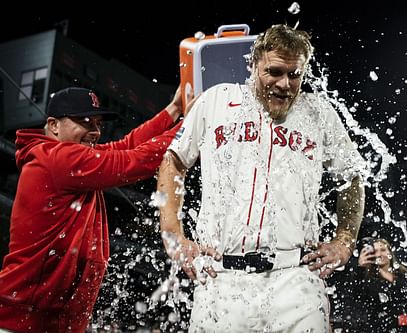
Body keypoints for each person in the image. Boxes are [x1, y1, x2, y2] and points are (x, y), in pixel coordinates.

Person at [157, 24, 366, 332]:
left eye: (294, 75)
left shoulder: (319, 113)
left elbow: (352, 176)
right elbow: (172, 162)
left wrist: (344, 241)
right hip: (220, 279)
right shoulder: (215, 101)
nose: (284, 84)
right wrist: (174, 236)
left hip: (295, 279)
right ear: (252, 64)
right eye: (275, 71)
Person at [0, 86, 188, 333]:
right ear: (54, 125)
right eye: (85, 122)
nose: (95, 131)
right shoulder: (56, 159)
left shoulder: (65, 157)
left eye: (97, 123)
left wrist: (173, 110)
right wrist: (190, 125)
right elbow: (136, 161)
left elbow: (126, 146)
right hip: (25, 323)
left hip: (46, 322)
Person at [353, 237, 407, 332]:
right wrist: (360, 268)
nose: (379, 254)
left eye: (383, 250)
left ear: (390, 252)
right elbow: (357, 296)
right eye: (375, 251)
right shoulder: (368, 280)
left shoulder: (404, 276)